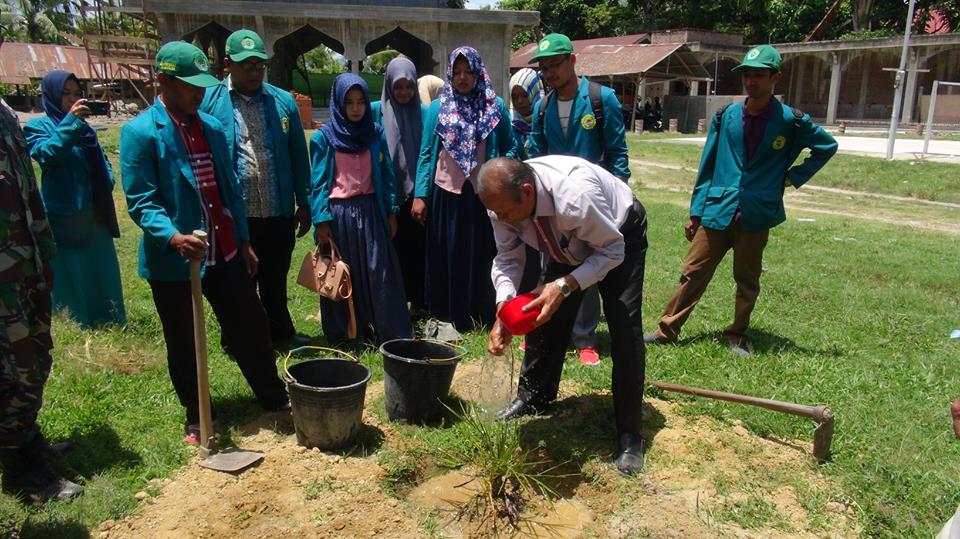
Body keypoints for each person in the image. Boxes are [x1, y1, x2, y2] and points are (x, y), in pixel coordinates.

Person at [120, 41, 290, 445]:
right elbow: (142, 201)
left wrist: (243, 240)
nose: (197, 93)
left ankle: (272, 395)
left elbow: (230, 193)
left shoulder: (211, 128)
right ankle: (198, 414)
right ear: (162, 81)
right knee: (183, 339)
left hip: (224, 250)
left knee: (251, 325)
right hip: (177, 262)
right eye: (188, 85)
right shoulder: (141, 133)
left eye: (201, 85)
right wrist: (172, 236)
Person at [644, 45, 838, 356]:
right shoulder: (726, 116)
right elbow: (708, 166)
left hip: (757, 213)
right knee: (693, 272)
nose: (751, 81)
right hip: (718, 208)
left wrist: (791, 177)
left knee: (747, 280)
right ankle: (667, 330)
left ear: (775, 77)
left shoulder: (790, 121)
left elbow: (826, 146)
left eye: (758, 75)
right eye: (747, 74)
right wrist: (696, 211)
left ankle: (736, 334)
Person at [478, 156, 648, 475]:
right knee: (542, 314)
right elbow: (507, 256)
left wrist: (565, 285)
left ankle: (629, 435)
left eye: (505, 213)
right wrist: (505, 306)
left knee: (624, 329)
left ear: (527, 191)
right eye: (495, 212)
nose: (500, 218)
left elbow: (612, 251)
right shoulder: (501, 202)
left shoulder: (574, 196)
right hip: (564, 242)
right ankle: (534, 398)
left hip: (617, 235)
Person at [0, 43, 84, 501]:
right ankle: (20, 470)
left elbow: (25, 185)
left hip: (24, 263)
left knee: (33, 356)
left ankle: (25, 437)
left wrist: (43, 248)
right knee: (11, 369)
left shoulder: (5, 114)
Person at [200, 29, 311, 346]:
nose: (254, 72)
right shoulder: (210, 102)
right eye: (246, 65)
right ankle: (237, 337)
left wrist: (304, 202)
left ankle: (279, 331)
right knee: (238, 279)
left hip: (277, 210)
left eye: (259, 65)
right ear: (227, 64)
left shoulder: (282, 102)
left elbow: (298, 156)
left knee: (275, 276)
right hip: (236, 214)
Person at [528, 32, 631, 366]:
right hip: (552, 202)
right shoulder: (543, 106)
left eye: (554, 65)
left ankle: (585, 338)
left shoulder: (602, 99)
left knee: (588, 265)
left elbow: (617, 153)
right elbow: (536, 152)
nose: (549, 73)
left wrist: (618, 197)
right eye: (543, 68)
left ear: (572, 60)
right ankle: (546, 328)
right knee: (550, 264)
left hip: (591, 201)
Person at [412, 46, 516, 331]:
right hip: (445, 193)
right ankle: (446, 311)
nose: (462, 77)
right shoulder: (439, 108)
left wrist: (501, 177)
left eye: (468, 71)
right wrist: (421, 195)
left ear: (478, 72)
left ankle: (479, 312)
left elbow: (511, 147)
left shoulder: (494, 106)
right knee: (446, 251)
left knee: (481, 252)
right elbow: (426, 153)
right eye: (456, 72)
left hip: (483, 195)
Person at [310, 73, 412, 344]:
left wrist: (391, 211)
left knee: (378, 271)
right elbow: (318, 183)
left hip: (370, 212)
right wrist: (321, 220)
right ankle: (347, 333)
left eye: (361, 102)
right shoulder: (324, 138)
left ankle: (387, 331)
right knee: (343, 273)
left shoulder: (375, 134)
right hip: (339, 216)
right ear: (338, 104)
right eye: (349, 103)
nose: (356, 108)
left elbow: (387, 175)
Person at [23, 71, 125, 329]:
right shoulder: (38, 127)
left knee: (101, 269)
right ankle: (76, 323)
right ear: (50, 96)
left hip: (96, 213)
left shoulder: (85, 129)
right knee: (71, 272)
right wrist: (70, 123)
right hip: (65, 216)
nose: (72, 99)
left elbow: (100, 159)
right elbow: (48, 154)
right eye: (65, 94)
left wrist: (108, 178)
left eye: (77, 93)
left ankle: (109, 319)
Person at [372, 57, 428, 315]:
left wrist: (422, 193)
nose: (404, 92)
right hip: (387, 194)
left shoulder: (424, 113)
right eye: (398, 86)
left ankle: (418, 301)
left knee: (417, 249)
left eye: (409, 86)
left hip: (417, 197)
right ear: (388, 85)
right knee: (389, 250)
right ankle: (393, 303)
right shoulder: (376, 111)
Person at [508, 68, 544, 160]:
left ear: (535, 93)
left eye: (524, 95)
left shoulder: (546, 119)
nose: (519, 101)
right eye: (515, 97)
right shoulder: (509, 124)